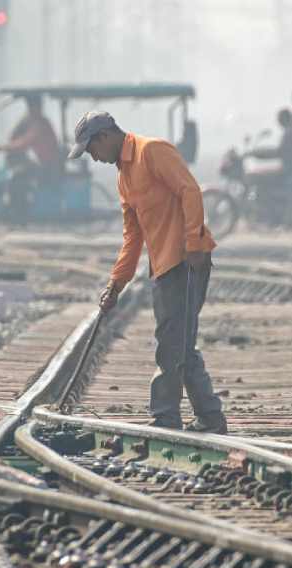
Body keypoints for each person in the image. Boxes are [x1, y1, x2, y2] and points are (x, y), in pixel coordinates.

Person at [67, 111, 228, 434]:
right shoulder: (123, 176)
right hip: (163, 266)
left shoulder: (152, 151)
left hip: (186, 260)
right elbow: (133, 237)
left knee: (172, 344)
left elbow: (190, 191)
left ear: (105, 137)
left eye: (92, 150)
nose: (94, 159)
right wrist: (116, 284)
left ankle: (165, 419)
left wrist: (194, 241)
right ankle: (210, 418)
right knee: (180, 344)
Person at [0, 95, 61, 223]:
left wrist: (5, 147)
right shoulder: (34, 121)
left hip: (48, 167)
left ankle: (20, 214)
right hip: (44, 164)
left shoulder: (39, 124)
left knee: (17, 179)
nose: (31, 111)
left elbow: (26, 141)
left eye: (32, 108)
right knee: (19, 173)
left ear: (36, 108)